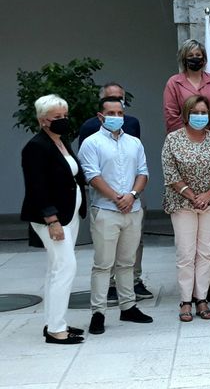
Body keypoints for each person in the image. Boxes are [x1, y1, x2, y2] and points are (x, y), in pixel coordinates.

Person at [78, 97, 153, 334]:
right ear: (100, 116)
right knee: (103, 265)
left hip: (132, 209)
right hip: (106, 211)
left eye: (120, 113)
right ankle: (98, 312)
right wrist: (116, 198)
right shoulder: (91, 143)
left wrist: (131, 195)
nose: (116, 117)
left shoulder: (134, 143)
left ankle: (128, 306)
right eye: (111, 113)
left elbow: (143, 172)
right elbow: (92, 176)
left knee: (127, 262)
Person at [20, 94, 86, 344]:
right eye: (57, 117)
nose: (63, 120)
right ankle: (57, 330)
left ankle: (54, 322)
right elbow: (36, 187)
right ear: (42, 120)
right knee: (65, 267)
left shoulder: (61, 140)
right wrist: (52, 220)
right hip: (53, 218)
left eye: (65, 116)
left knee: (56, 269)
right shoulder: (36, 147)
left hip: (69, 215)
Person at [161, 95, 210, 321]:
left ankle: (202, 299)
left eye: (204, 113)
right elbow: (170, 173)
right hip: (182, 204)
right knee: (185, 253)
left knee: (205, 253)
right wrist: (192, 195)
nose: (200, 117)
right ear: (186, 114)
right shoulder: (173, 139)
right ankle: (185, 301)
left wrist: (209, 194)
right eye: (195, 112)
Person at [163, 39, 210, 133]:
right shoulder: (174, 82)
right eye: (190, 55)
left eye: (198, 55)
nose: (195, 57)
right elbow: (171, 114)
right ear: (184, 59)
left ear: (203, 58)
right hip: (183, 139)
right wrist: (189, 136)